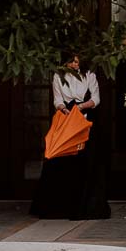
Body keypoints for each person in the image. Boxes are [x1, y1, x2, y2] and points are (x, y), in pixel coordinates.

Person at [30, 54, 110, 220]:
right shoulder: (58, 77)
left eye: (77, 61)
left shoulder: (90, 75)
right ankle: (58, 207)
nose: (74, 64)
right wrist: (64, 109)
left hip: (85, 117)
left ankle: (86, 206)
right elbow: (58, 100)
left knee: (86, 161)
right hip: (66, 118)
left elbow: (96, 98)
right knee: (60, 159)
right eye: (71, 61)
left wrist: (80, 107)